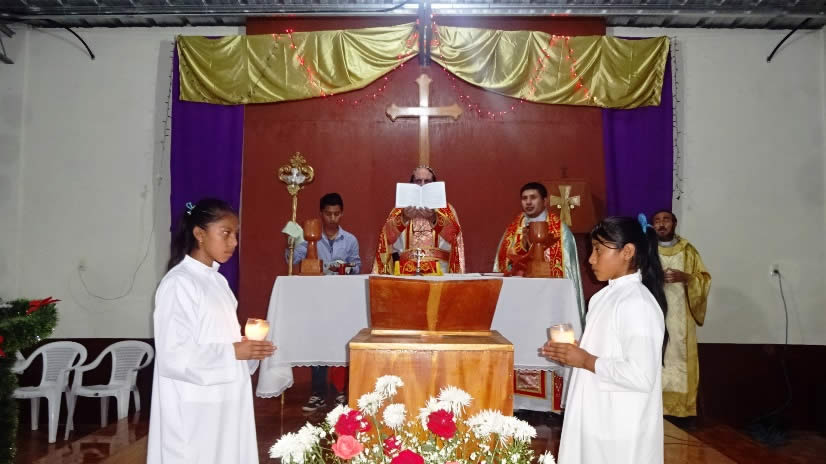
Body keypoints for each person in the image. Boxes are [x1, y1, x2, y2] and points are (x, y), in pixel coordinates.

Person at [148, 198, 276, 464]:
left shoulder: (218, 282)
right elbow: (174, 355)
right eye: (226, 233)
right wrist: (233, 352)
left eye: (235, 234)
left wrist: (247, 347)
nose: (234, 242)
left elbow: (217, 339)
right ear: (200, 234)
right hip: (195, 404)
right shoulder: (178, 283)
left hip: (226, 399)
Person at [542, 215, 667, 464]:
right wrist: (574, 352)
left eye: (598, 250)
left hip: (619, 426)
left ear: (627, 252)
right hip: (596, 415)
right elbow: (608, 351)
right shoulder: (603, 297)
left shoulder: (637, 303)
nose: (590, 259)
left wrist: (585, 360)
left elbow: (640, 375)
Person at [493, 181, 586, 414]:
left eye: (533, 197)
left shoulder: (560, 232)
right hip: (520, 307)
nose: (528, 202)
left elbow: (569, 272)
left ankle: (553, 404)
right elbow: (502, 266)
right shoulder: (512, 230)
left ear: (545, 201)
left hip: (548, 306)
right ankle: (517, 402)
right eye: (524, 198)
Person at [284, 193, 360, 411]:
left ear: (342, 213)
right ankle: (317, 393)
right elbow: (292, 260)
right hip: (316, 301)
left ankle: (341, 392)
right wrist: (292, 243)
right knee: (318, 343)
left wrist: (345, 267)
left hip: (341, 299)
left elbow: (357, 266)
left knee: (341, 343)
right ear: (321, 214)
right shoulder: (311, 239)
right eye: (328, 214)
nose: (332, 218)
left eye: (336, 214)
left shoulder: (350, 240)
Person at [652, 210, 711, 419]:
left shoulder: (688, 250)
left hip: (681, 318)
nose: (661, 224)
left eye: (666, 220)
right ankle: (654, 407)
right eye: (657, 221)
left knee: (679, 356)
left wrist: (686, 277)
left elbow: (704, 278)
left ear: (674, 223)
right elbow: (637, 275)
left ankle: (681, 410)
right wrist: (655, 278)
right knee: (656, 355)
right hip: (654, 312)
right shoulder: (648, 250)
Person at [372, 166, 465, 275]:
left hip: (440, 272)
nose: (422, 184)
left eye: (427, 181)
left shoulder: (446, 209)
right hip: (406, 272)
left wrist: (435, 219)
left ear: (434, 184)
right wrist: (403, 218)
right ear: (411, 184)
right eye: (418, 181)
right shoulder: (400, 209)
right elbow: (386, 237)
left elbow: (455, 237)